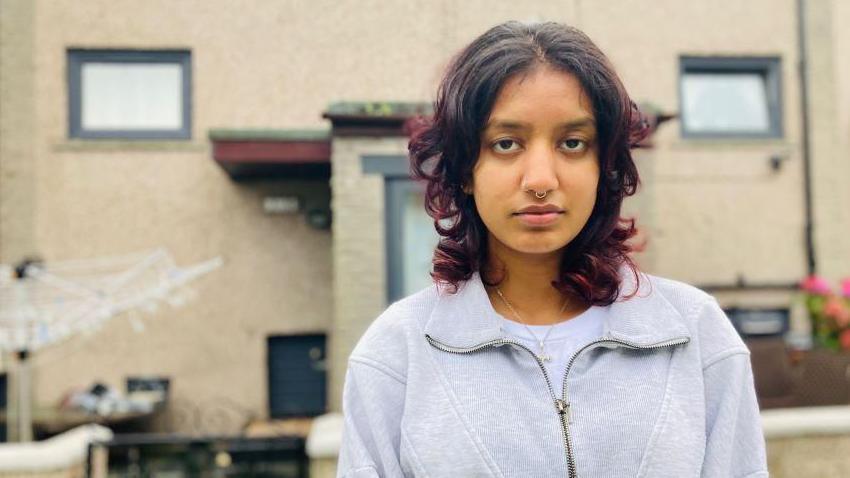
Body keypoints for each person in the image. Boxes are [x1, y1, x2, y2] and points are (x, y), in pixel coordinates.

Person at [337, 21, 768, 478]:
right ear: (465, 167)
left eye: (572, 143)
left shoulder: (695, 333)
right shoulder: (397, 353)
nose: (540, 180)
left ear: (605, 165)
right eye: (506, 144)